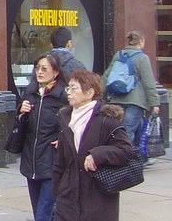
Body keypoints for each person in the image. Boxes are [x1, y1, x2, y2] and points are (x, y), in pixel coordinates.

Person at [52, 70, 134, 221]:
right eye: (68, 88)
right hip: (68, 196)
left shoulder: (106, 120)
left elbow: (126, 152)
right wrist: (57, 191)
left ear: (90, 92)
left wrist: (98, 154)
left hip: (97, 198)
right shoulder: (65, 118)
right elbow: (60, 162)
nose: (69, 93)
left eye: (74, 88)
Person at [17, 53, 67, 221]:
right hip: (31, 158)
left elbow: (72, 123)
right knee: (39, 209)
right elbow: (23, 125)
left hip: (51, 158)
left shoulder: (62, 95)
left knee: (43, 213)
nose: (40, 72)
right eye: (37, 68)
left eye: (44, 69)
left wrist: (63, 139)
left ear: (56, 72)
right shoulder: (31, 91)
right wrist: (21, 112)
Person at [102, 31, 160, 149]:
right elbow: (148, 82)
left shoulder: (119, 55)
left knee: (134, 128)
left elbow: (107, 76)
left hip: (117, 98)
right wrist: (155, 103)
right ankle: (126, 160)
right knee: (127, 131)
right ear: (141, 42)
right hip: (135, 101)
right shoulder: (142, 58)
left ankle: (140, 156)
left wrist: (99, 94)